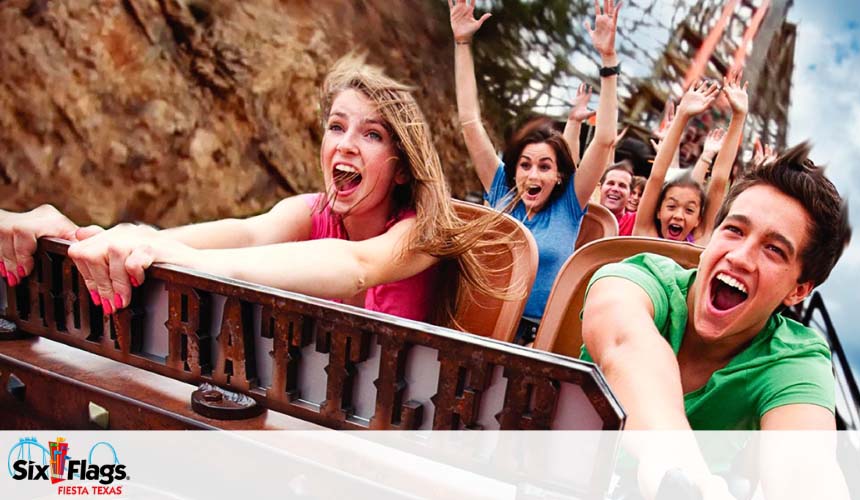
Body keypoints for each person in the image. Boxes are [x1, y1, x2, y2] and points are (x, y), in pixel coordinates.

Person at [0, 55, 513, 328]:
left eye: (372, 135)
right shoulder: (309, 210)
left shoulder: (421, 228)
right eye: (336, 127)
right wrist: (106, 235)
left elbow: (358, 265)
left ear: (401, 168)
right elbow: (243, 235)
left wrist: (180, 257)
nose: (346, 145)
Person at [581, 141, 852, 431]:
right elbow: (626, 343)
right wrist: (675, 460)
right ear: (712, 236)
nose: (740, 257)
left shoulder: (796, 359)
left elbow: (804, 459)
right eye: (735, 230)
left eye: (774, 249)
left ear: (798, 290)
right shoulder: (640, 277)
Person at [449, 0, 622, 342]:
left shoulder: (569, 204)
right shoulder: (500, 187)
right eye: (525, 165)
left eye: (545, 167)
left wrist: (608, 62)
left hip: (535, 336)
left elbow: (603, 140)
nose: (533, 175)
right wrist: (463, 43)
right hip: (479, 322)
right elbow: (470, 121)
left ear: (559, 175)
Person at [632, 71, 748, 246]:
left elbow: (719, 180)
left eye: (689, 210)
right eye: (671, 206)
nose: (678, 216)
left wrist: (739, 117)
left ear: (698, 220)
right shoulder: (645, 233)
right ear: (658, 211)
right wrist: (682, 115)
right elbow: (657, 175)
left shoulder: (700, 241)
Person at [597, 162, 635, 235]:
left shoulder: (634, 222)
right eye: (611, 183)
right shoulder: (585, 216)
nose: (615, 189)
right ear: (600, 187)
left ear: (630, 194)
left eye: (622, 186)